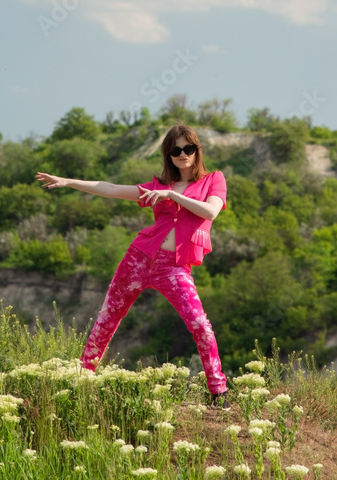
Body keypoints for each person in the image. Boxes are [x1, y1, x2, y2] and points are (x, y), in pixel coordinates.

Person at [35, 122, 229, 405]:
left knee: (200, 324)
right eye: (176, 150)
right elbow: (112, 188)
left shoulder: (214, 180)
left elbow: (211, 211)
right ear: (168, 155)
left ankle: (218, 390)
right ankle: (82, 379)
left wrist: (173, 195)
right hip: (139, 258)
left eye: (188, 148)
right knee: (107, 318)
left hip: (174, 267)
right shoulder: (157, 186)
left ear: (197, 150)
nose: (183, 154)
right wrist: (68, 182)